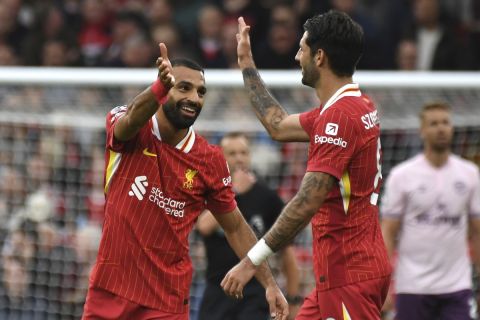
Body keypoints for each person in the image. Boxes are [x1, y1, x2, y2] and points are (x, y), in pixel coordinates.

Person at [82, 43, 288, 320]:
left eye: (201, 91)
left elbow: (236, 226)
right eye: (184, 88)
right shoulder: (132, 127)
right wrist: (158, 88)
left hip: (165, 303)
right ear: (163, 88)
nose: (194, 97)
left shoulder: (210, 160)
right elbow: (128, 122)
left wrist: (270, 284)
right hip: (109, 291)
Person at [221, 10, 392, 320]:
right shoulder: (351, 106)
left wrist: (250, 262)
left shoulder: (338, 118)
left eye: (302, 48)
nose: (297, 56)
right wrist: (247, 64)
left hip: (349, 275)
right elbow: (278, 126)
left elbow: (305, 202)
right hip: (344, 271)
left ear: (320, 56)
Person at [381, 102, 480, 320]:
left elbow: (477, 232)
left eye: (445, 122)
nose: (441, 128)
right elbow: (388, 232)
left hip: (456, 286)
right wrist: (384, 286)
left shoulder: (470, 174)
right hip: (412, 285)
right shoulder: (402, 175)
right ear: (422, 131)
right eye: (434, 123)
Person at [197, 132, 301, 320]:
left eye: (244, 153)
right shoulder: (208, 192)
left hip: (254, 293)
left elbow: (287, 254)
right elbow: (203, 227)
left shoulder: (268, 198)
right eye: (232, 153)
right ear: (220, 157)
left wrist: (293, 299)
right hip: (217, 290)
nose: (239, 158)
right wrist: (233, 191)